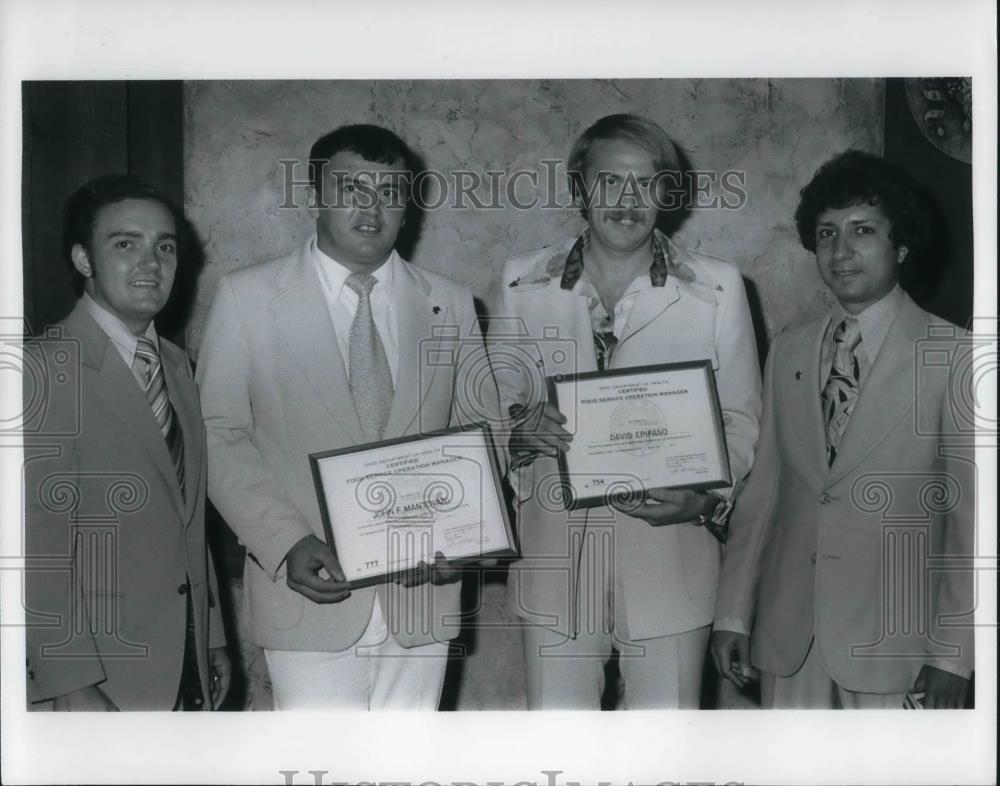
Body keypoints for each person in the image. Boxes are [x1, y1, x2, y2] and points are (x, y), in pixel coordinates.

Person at [197, 124, 498, 709]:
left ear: (407, 206)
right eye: (352, 187)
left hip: (423, 594)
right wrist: (285, 543)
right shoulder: (247, 298)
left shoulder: (451, 301)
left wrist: (460, 539)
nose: (371, 206)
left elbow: (478, 434)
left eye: (389, 190)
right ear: (315, 194)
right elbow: (218, 434)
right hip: (310, 591)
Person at [489, 113, 762, 708]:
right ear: (579, 189)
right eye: (610, 180)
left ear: (667, 193)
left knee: (664, 756)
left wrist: (705, 498)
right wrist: (517, 434)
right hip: (555, 567)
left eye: (646, 182)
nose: (628, 199)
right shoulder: (520, 285)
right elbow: (491, 415)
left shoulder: (717, 288)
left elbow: (742, 421)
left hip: (671, 562)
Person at [710, 150, 976, 709]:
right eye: (826, 233)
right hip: (790, 641)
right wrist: (733, 613)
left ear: (899, 245)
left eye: (863, 231)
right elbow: (763, 497)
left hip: (898, 647)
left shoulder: (954, 355)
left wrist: (955, 651)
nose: (841, 250)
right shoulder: (789, 348)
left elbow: (971, 519)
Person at [23, 174, 230, 711]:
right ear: (83, 260)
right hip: (99, 675)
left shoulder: (178, 367)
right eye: (125, 244)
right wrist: (69, 682)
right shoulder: (44, 369)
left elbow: (187, 514)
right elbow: (35, 547)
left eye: (164, 246)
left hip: (180, 662)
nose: (151, 262)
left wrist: (208, 636)